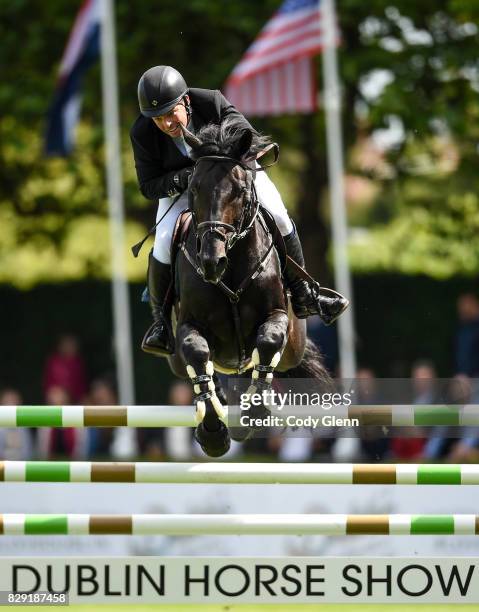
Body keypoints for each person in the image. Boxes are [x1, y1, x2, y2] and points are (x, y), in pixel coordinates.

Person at [130, 65, 349, 356]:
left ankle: (304, 293)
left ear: (186, 101)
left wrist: (219, 166)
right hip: (185, 192)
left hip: (233, 178)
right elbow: (148, 186)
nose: (167, 123)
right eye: (159, 119)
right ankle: (160, 324)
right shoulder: (142, 132)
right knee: (162, 243)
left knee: (280, 217)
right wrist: (186, 178)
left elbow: (247, 135)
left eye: (171, 114)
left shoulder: (211, 102)